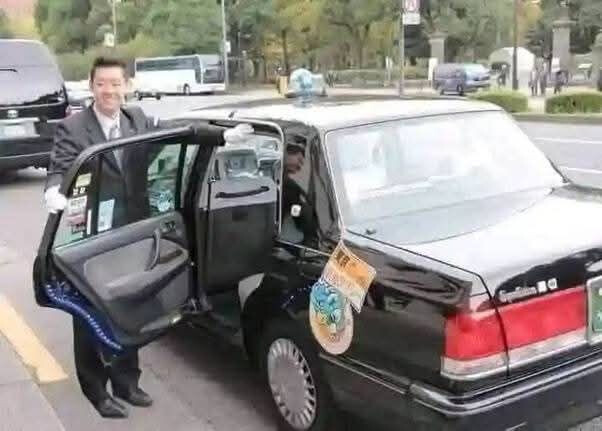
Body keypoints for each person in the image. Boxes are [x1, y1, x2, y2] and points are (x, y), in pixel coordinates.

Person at [44, 56, 157, 419]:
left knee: (130, 306)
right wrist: (53, 191)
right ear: (92, 87)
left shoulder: (137, 120)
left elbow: (174, 138)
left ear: (127, 86)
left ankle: (127, 381)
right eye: (102, 84)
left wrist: (220, 136)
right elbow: (60, 167)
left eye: (116, 83)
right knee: (90, 312)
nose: (109, 91)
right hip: (91, 238)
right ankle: (97, 390)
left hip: (132, 233)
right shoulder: (74, 127)